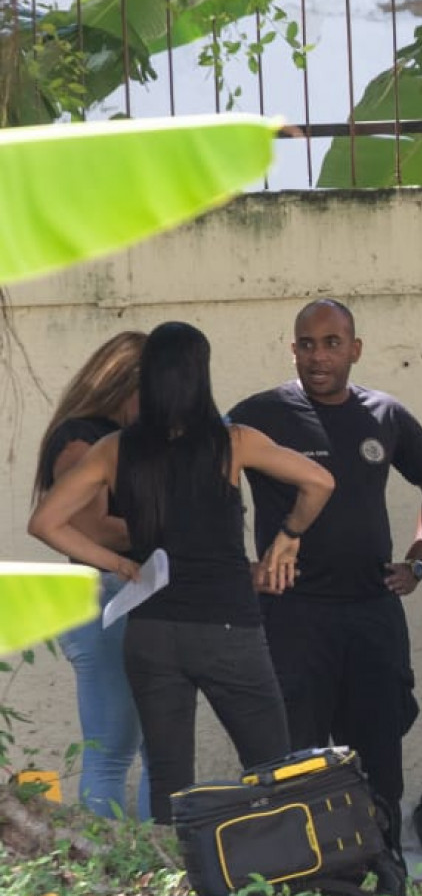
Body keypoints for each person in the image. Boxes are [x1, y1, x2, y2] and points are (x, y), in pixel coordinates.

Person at [28, 322, 334, 824]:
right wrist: (289, 537)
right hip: (227, 627)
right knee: (273, 766)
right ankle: (285, 878)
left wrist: (120, 564)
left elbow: (45, 522)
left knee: (170, 780)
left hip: (151, 630)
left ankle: (174, 885)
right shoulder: (232, 441)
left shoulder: (115, 448)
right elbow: (319, 480)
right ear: (200, 376)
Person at [228, 298, 422, 816]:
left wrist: (418, 561)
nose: (319, 357)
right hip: (293, 615)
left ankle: (386, 876)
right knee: (293, 763)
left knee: (378, 758)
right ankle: (301, 882)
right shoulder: (258, 415)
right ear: (293, 351)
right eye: (307, 345)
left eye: (332, 344)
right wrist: (239, 568)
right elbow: (203, 488)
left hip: (370, 613)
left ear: (355, 349)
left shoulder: (385, 414)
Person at [31, 329, 151, 820]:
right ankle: (110, 876)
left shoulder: (116, 436)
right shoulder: (82, 437)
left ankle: (148, 872)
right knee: (111, 752)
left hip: (122, 597)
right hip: (103, 596)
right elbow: (90, 527)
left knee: (151, 750)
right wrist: (174, 528)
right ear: (123, 383)